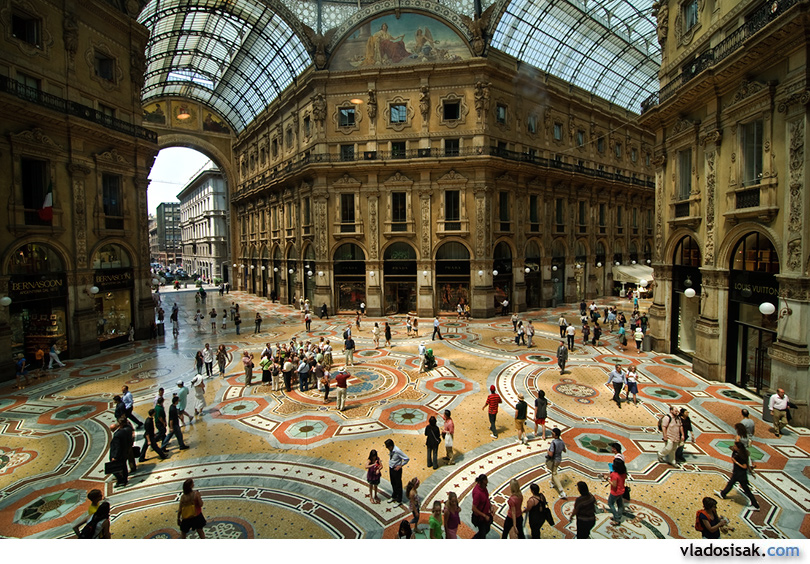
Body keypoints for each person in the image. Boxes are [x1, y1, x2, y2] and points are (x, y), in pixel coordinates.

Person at [715, 441, 760, 510]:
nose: (733, 447)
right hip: (737, 473)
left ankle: (756, 505)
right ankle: (723, 494)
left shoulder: (742, 456)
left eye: (735, 446)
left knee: (746, 490)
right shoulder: (736, 453)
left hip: (741, 475)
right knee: (730, 483)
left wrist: (736, 462)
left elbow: (745, 466)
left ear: (739, 448)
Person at [384, 438, 409, 505]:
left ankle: (399, 500)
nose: (387, 449)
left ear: (391, 446)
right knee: (393, 483)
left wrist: (401, 465)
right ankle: (394, 496)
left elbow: (406, 458)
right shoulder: (392, 450)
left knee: (398, 484)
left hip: (397, 469)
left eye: (388, 447)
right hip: (391, 468)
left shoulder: (397, 451)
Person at [605, 458, 627, 525]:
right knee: (619, 504)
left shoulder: (615, 475)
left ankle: (616, 518)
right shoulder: (624, 473)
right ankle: (619, 516)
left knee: (610, 503)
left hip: (615, 492)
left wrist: (607, 479)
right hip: (622, 491)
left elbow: (614, 485)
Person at [546, 427, 567, 498]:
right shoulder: (561, 442)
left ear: (556, 435)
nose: (552, 435)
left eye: (553, 434)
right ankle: (552, 482)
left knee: (554, 474)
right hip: (559, 459)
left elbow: (551, 454)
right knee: (554, 470)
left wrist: (548, 451)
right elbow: (564, 450)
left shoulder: (553, 443)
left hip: (554, 460)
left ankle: (561, 491)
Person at [108, 422, 131, 487]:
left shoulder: (116, 435)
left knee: (114, 468)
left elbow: (117, 447)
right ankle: (124, 479)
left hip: (119, 455)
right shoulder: (123, 431)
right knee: (124, 467)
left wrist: (114, 456)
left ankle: (121, 480)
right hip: (124, 453)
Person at [471, 474, 493, 538]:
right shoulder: (477, 493)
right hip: (480, 518)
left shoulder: (484, 488)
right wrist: (484, 516)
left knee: (487, 529)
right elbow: (474, 508)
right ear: (481, 483)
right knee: (482, 534)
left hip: (485, 515)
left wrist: (490, 506)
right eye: (485, 484)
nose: (486, 485)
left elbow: (486, 498)